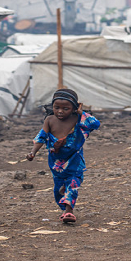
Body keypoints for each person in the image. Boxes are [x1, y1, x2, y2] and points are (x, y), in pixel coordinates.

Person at [27, 89, 100, 224]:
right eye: (57, 107)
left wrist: (81, 113)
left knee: (73, 183)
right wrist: (33, 152)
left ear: (74, 107)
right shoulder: (49, 120)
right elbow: (41, 138)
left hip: (74, 159)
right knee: (59, 188)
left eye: (65, 108)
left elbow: (96, 124)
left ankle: (69, 211)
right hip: (56, 162)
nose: (60, 111)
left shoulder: (79, 119)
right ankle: (64, 208)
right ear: (52, 107)